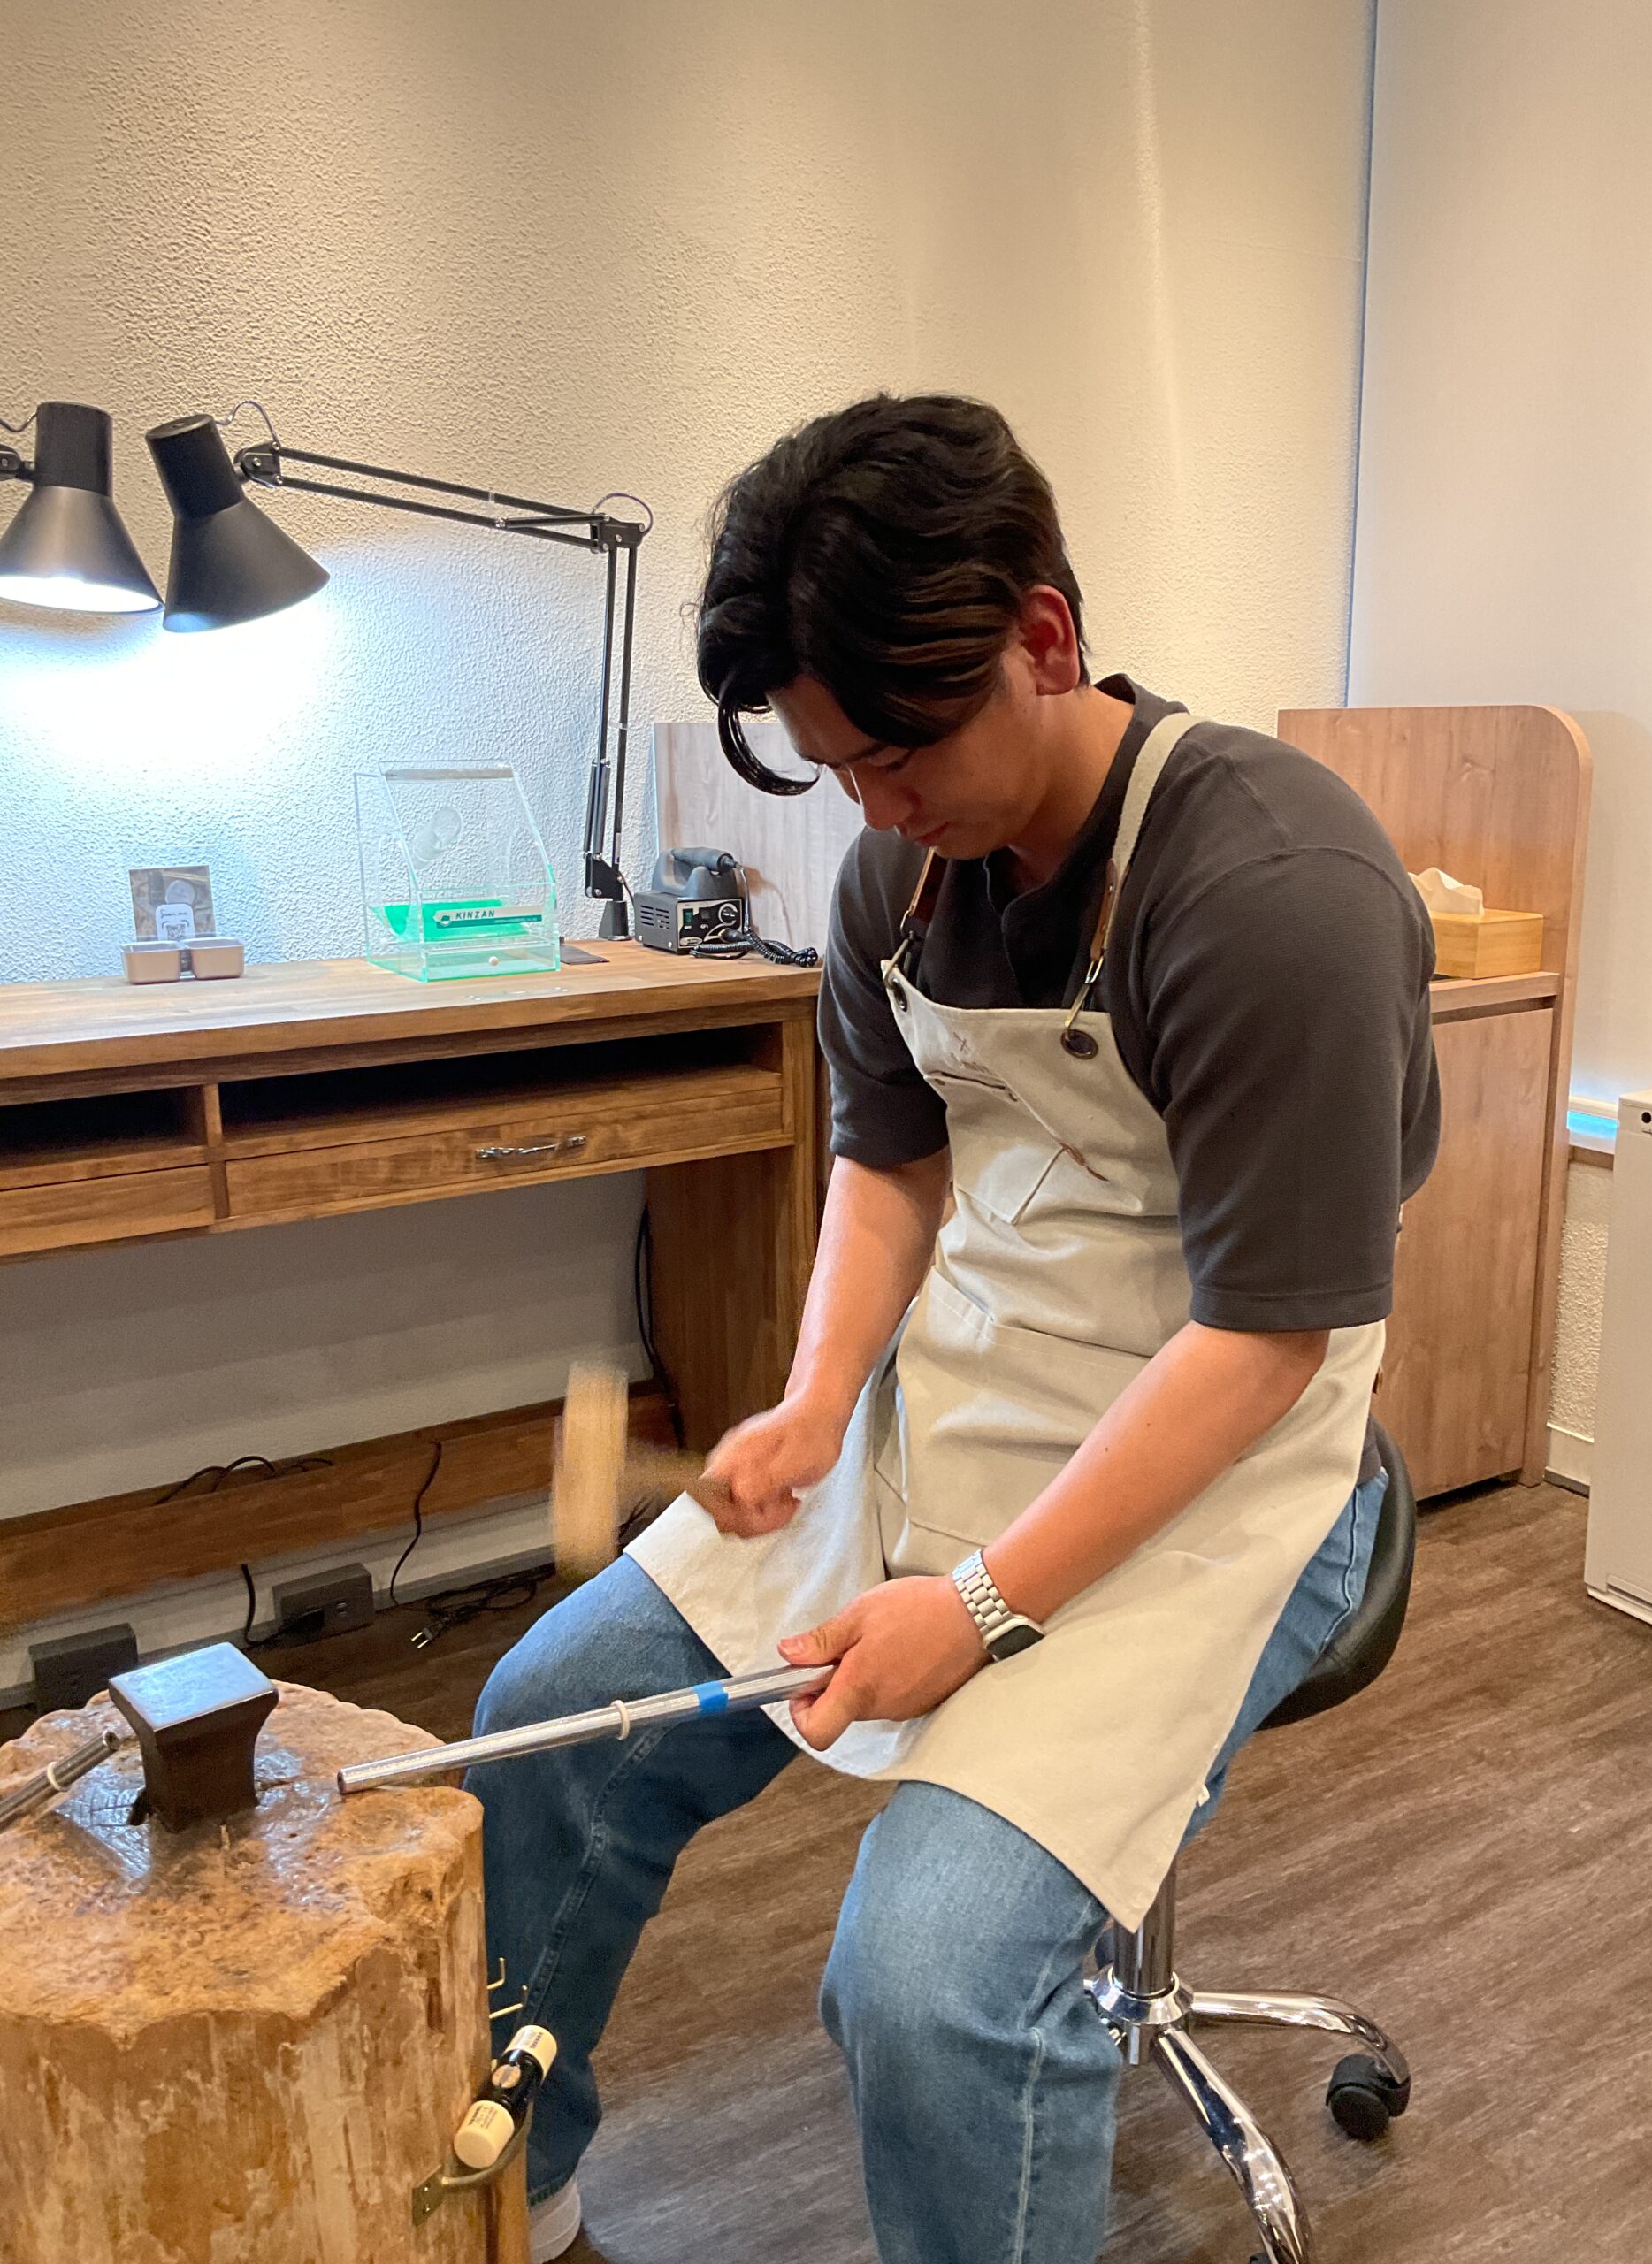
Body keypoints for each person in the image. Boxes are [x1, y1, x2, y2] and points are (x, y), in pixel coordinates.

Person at [469, 393, 1440, 2264]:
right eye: (834, 766)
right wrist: (817, 1395)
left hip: (1226, 1474)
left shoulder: (1270, 891)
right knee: (545, 1724)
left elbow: (1262, 1343)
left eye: (899, 753)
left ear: (1043, 637)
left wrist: (983, 1606)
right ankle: (524, 2187)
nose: (875, 807)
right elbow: (890, 1163)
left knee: (930, 1986)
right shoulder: (894, 872)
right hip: (956, 1410)